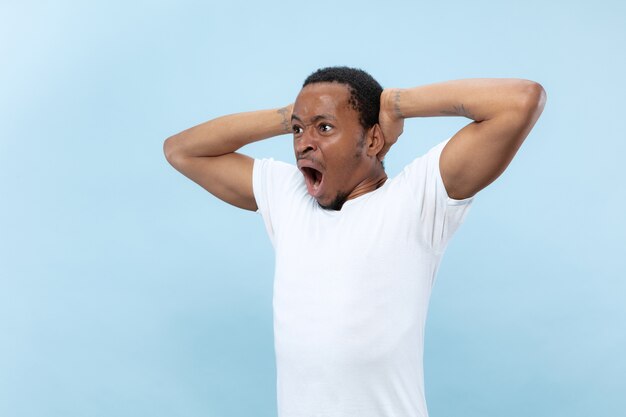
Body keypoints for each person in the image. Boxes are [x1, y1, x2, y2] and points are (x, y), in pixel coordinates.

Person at [163, 66, 546, 417]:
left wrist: (397, 104)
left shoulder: (417, 198)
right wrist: (291, 116)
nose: (303, 145)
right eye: (298, 132)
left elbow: (521, 100)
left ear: (374, 139)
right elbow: (181, 150)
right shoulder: (288, 196)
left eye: (324, 128)